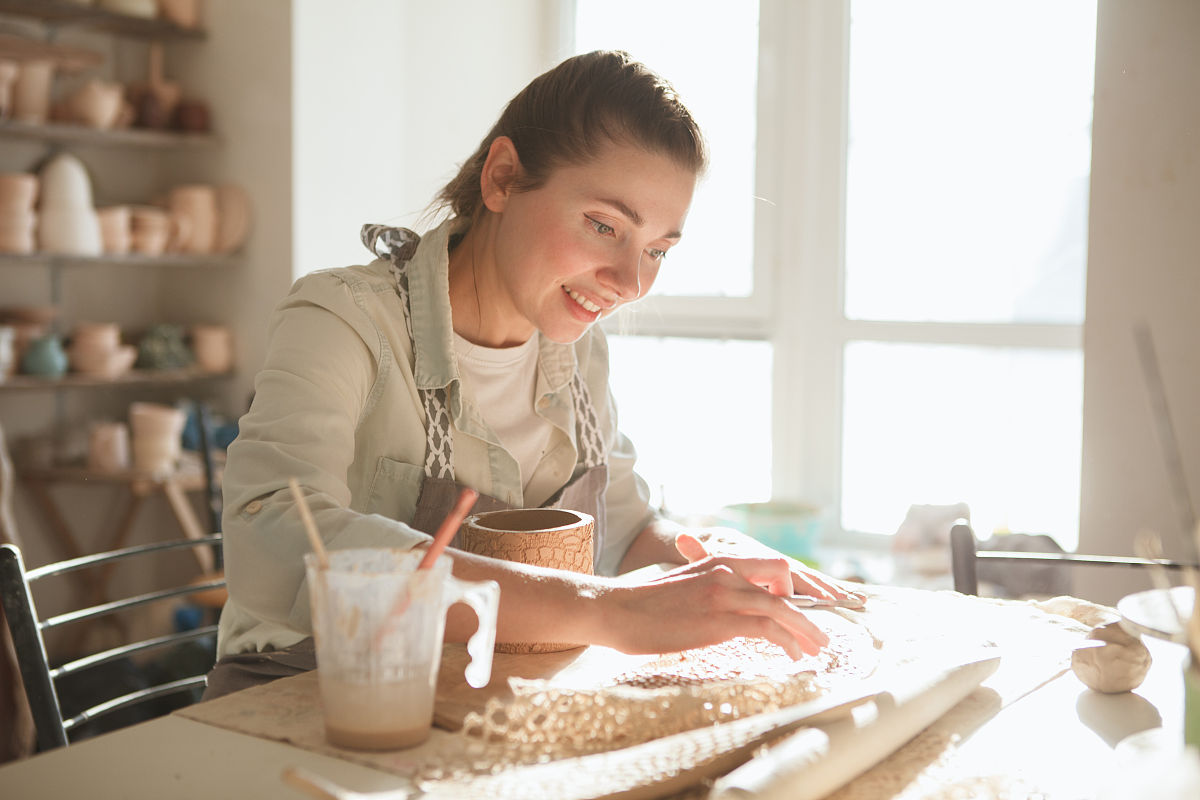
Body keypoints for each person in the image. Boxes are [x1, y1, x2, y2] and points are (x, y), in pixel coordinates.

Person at [206, 50, 860, 698]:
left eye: (657, 250)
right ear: (502, 178)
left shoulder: (578, 351)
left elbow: (624, 530)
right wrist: (608, 611)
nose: (630, 283)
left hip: (469, 703)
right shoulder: (342, 318)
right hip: (301, 698)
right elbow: (275, 536)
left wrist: (707, 559)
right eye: (604, 225)